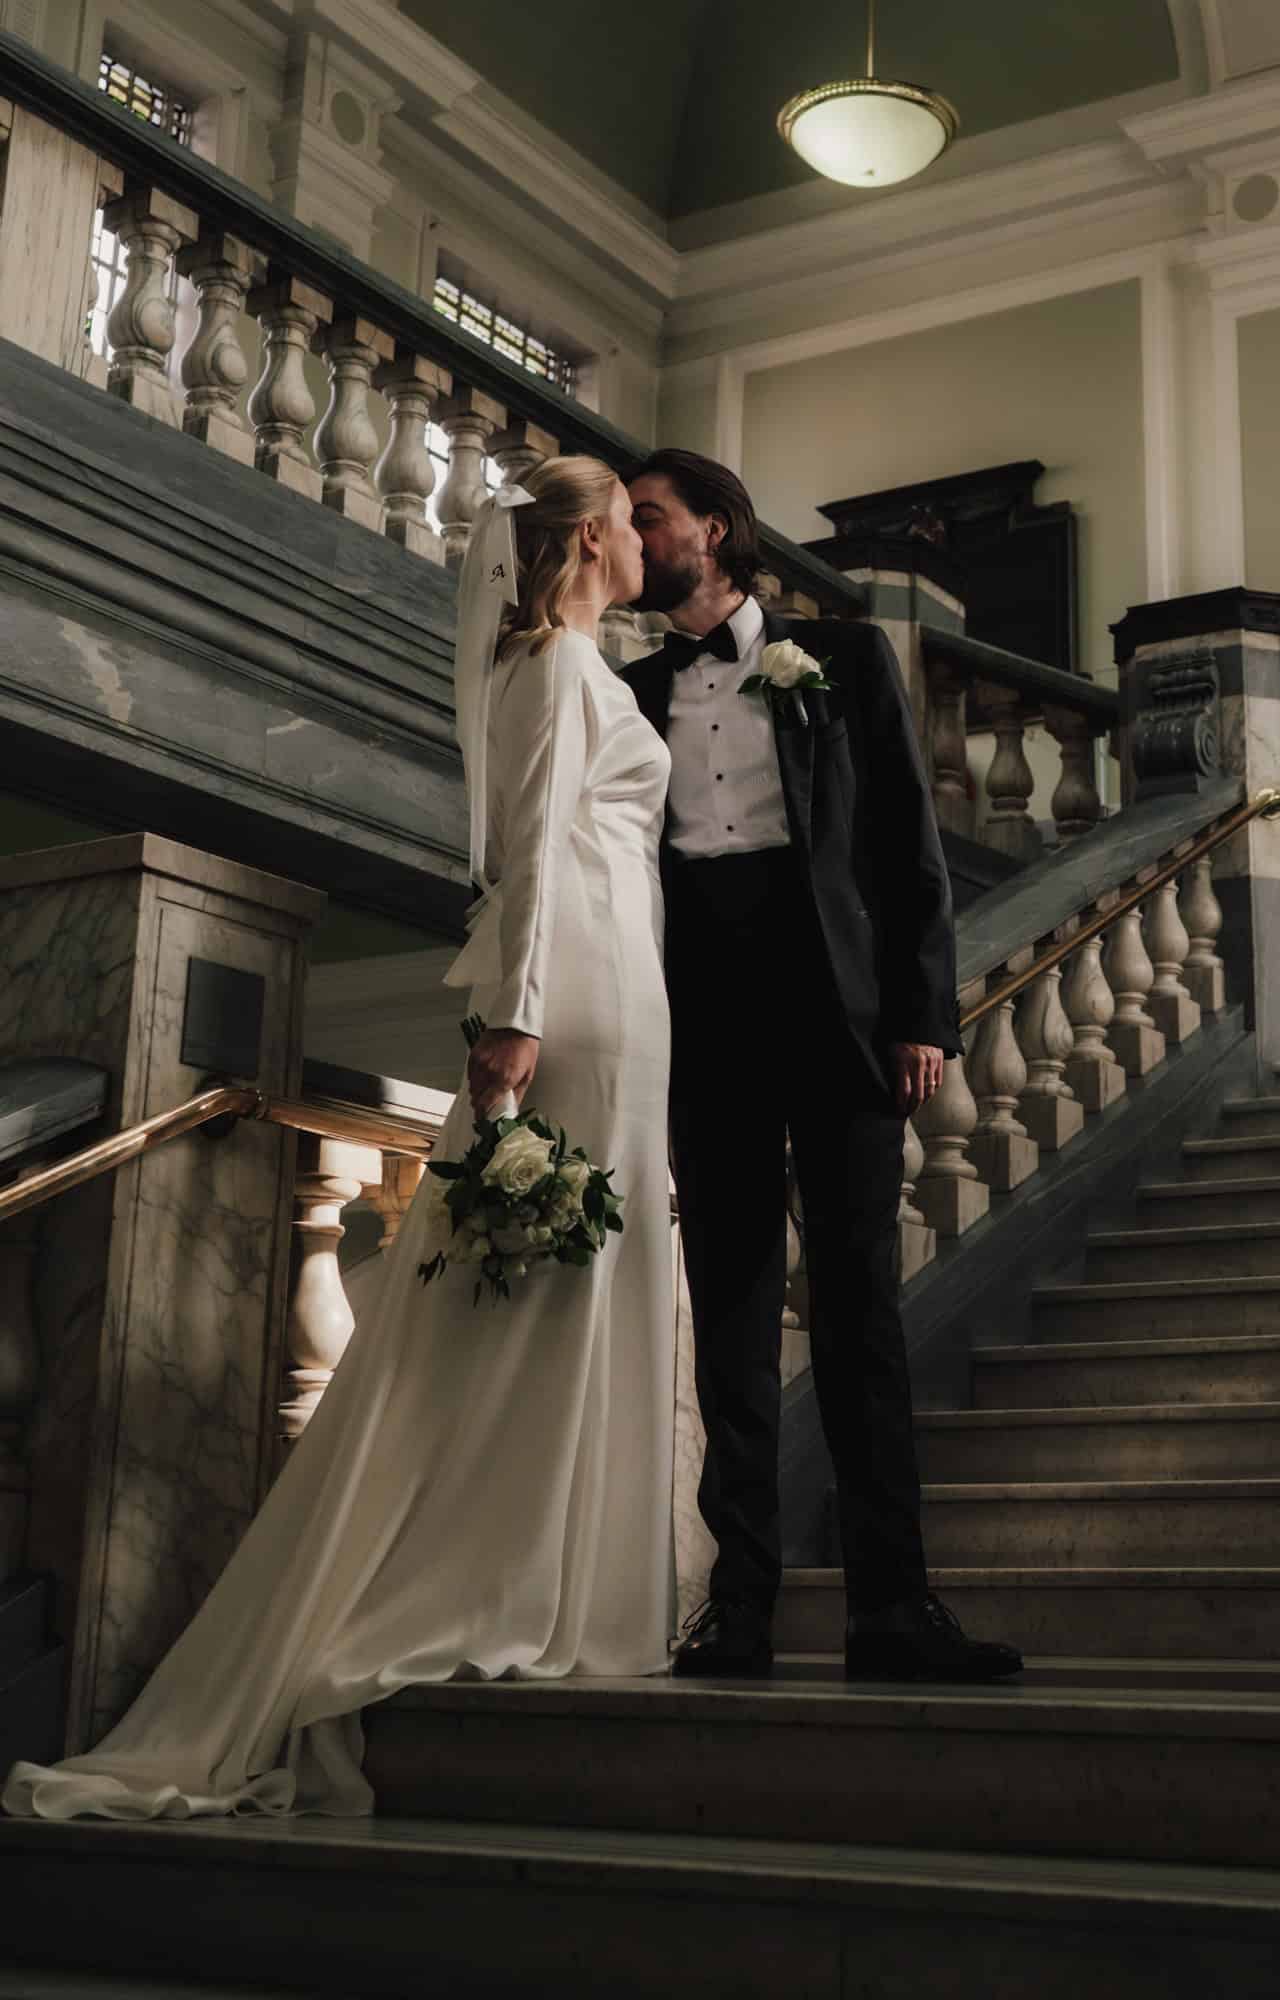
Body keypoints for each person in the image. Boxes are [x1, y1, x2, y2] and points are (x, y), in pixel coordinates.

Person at [3, 455, 676, 1821]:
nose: (641, 538)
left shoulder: (582, 664)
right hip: (580, 993)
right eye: (625, 517)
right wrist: (515, 1018)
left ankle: (568, 1548)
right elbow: (531, 853)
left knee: (587, 1267)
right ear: (592, 538)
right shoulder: (548, 664)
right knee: (543, 1268)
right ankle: (495, 1558)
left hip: (628, 974)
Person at [622, 448, 1022, 1683]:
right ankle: (735, 1608)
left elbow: (907, 846)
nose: (633, 543)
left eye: (650, 520)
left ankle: (891, 1610)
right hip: (706, 1023)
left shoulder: (843, 660)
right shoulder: (630, 691)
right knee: (730, 1322)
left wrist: (921, 1016)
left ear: (717, 528)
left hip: (838, 1017)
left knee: (861, 1316)